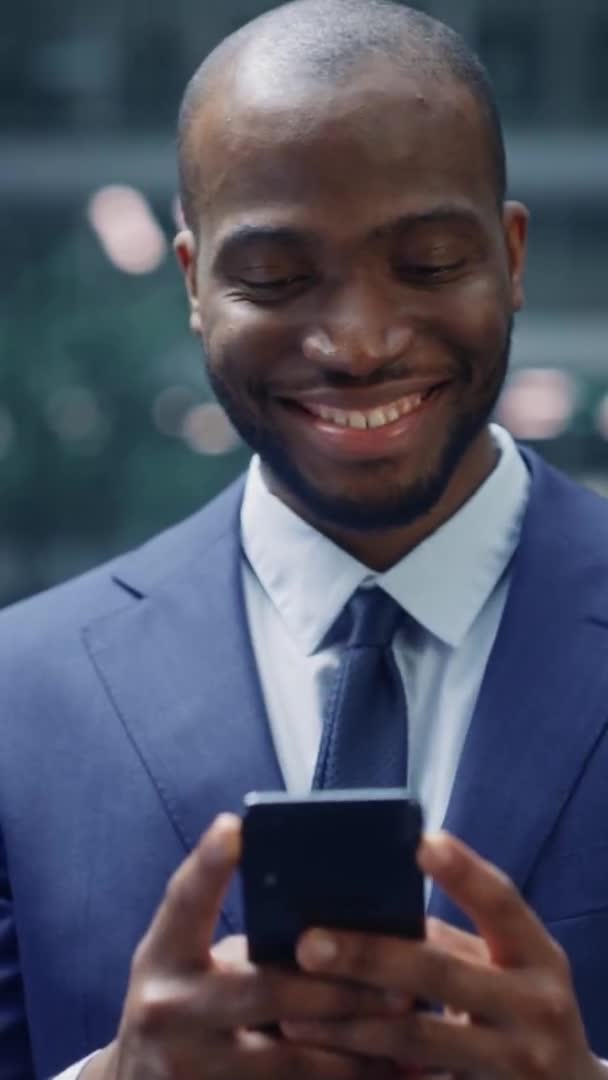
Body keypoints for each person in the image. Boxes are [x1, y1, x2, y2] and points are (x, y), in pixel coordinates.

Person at [2, 0, 608, 1076]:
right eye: (277, 279)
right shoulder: (19, 699)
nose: (359, 343)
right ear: (191, 282)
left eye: (425, 263)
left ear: (510, 256)